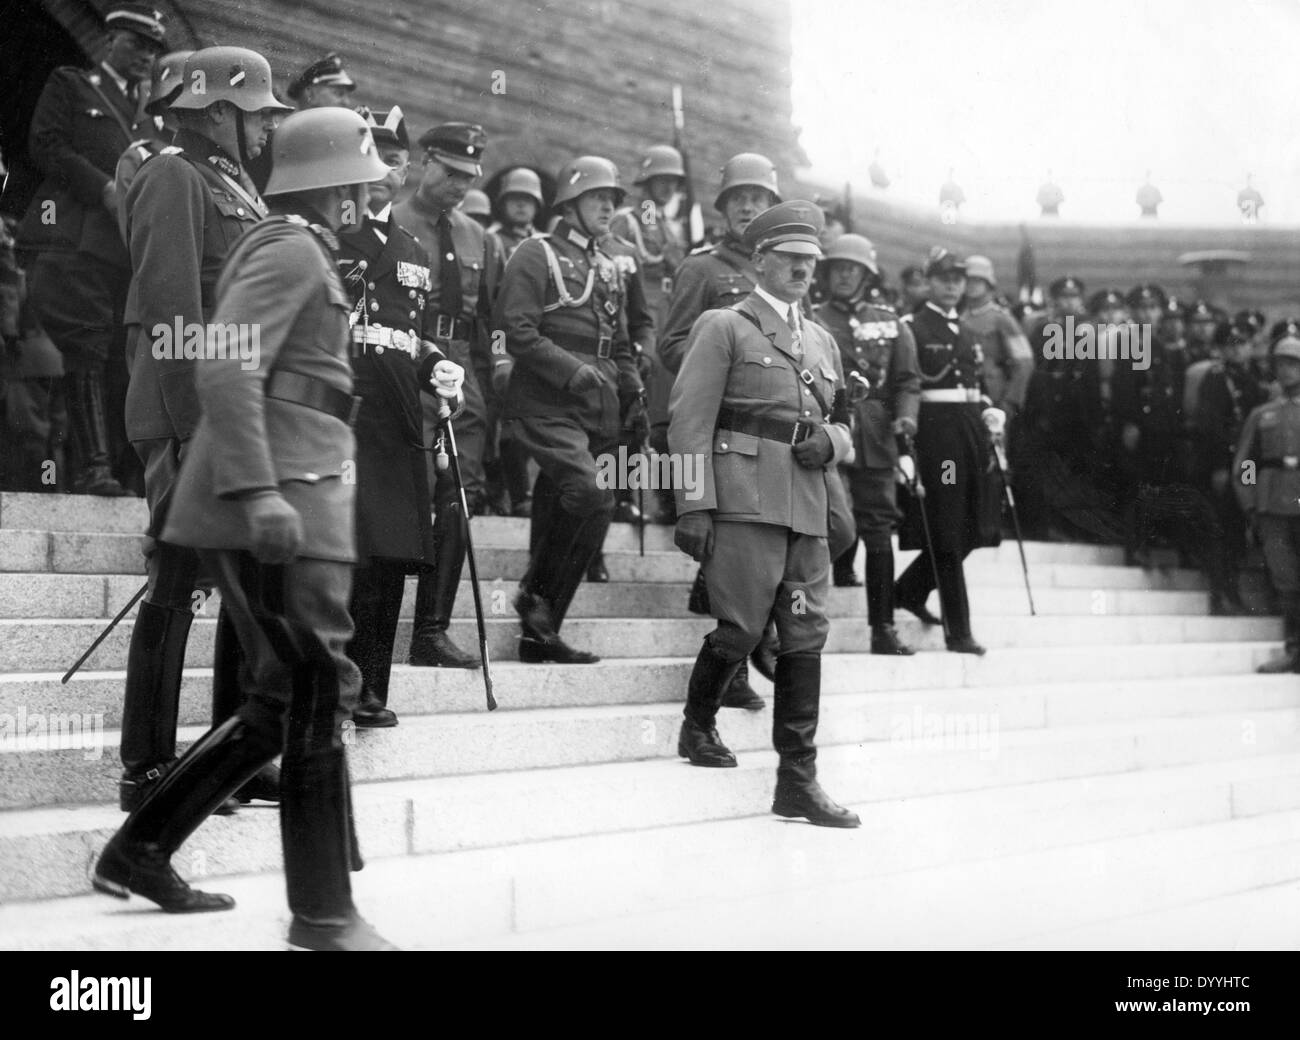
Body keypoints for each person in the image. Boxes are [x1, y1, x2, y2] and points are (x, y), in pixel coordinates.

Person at [93, 106, 398, 951]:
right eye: (359, 186)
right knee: (311, 690)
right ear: (333, 185)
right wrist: (259, 491)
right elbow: (228, 359)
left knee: (281, 699)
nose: (364, 201)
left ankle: (139, 850)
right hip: (276, 501)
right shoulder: (287, 246)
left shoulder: (300, 246)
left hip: (303, 491)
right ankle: (323, 915)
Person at [116, 46, 290, 811]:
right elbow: (172, 311)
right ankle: (147, 768)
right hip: (184, 411)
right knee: (177, 578)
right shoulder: (172, 174)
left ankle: (227, 759)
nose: (266, 125)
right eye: (257, 111)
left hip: (231, 409)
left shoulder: (234, 182)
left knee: (241, 579)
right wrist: (196, 425)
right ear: (218, 108)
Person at [669, 200, 858, 827]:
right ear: (760, 260)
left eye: (811, 261)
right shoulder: (724, 325)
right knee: (744, 628)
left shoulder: (823, 339)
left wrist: (834, 442)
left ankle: (797, 780)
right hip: (745, 499)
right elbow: (689, 421)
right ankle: (698, 724)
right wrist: (694, 505)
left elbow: (841, 419)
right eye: (792, 259)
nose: (804, 270)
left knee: (805, 635)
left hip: (808, 502)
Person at [339, 106, 470, 727]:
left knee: (389, 553)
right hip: (340, 413)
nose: (384, 171)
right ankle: (329, 679)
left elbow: (406, 335)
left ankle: (370, 687)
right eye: (373, 157)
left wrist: (438, 367)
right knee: (345, 552)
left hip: (396, 420)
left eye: (394, 159)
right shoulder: (325, 233)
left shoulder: (412, 246)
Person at [493, 155, 644, 663]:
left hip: (597, 405)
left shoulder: (608, 266)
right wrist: (571, 371)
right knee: (591, 491)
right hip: (547, 401)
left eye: (613, 199)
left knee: (579, 502)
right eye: (598, 197)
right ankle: (533, 596)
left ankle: (542, 633)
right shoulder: (536, 254)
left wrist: (634, 390)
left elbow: (617, 343)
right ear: (571, 202)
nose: (608, 206)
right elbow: (517, 330)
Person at [16, 3, 165, 495]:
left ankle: (118, 466)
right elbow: (47, 144)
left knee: (119, 356)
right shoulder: (73, 84)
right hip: (72, 242)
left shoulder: (147, 120)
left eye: (152, 49)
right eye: (135, 43)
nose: (144, 56)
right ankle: (93, 466)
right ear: (109, 40)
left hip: (123, 251)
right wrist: (102, 187)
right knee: (83, 348)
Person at [657, 152, 782, 706]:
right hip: (723, 427)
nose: (748, 208)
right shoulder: (701, 269)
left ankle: (752, 641)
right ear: (724, 207)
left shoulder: (781, 271)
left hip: (773, 434)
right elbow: (670, 345)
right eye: (739, 199)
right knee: (734, 545)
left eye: (758, 200)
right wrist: (728, 358)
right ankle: (731, 674)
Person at [393, 122, 501, 668]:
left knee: (460, 495)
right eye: (451, 172)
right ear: (424, 162)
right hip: (406, 367)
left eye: (469, 177)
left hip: (464, 377)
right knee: (405, 492)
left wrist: (486, 386)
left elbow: (488, 322)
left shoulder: (478, 237)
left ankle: (431, 631)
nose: (459, 185)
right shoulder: (389, 219)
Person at [813, 233, 920, 653]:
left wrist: (907, 417)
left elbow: (908, 380)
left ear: (865, 275)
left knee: (878, 529)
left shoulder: (891, 322)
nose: (844, 275)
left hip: (876, 431)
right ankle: (801, 622)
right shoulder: (812, 316)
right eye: (838, 267)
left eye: (852, 269)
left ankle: (883, 627)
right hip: (827, 427)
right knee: (824, 522)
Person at [893, 248, 1000, 654]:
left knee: (974, 528)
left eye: (960, 278)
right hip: (940, 442)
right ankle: (959, 632)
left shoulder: (968, 332)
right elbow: (903, 386)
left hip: (971, 436)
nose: (954, 285)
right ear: (929, 281)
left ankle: (908, 589)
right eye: (944, 278)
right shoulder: (912, 326)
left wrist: (991, 412)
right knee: (951, 529)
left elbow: (978, 388)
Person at [1235, 334, 1300, 672]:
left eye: (1293, 364)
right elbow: (1246, 465)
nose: (1286, 371)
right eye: (1280, 365)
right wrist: (1250, 502)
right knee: (1286, 582)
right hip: (1273, 507)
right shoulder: (1262, 415)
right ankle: (1293, 651)